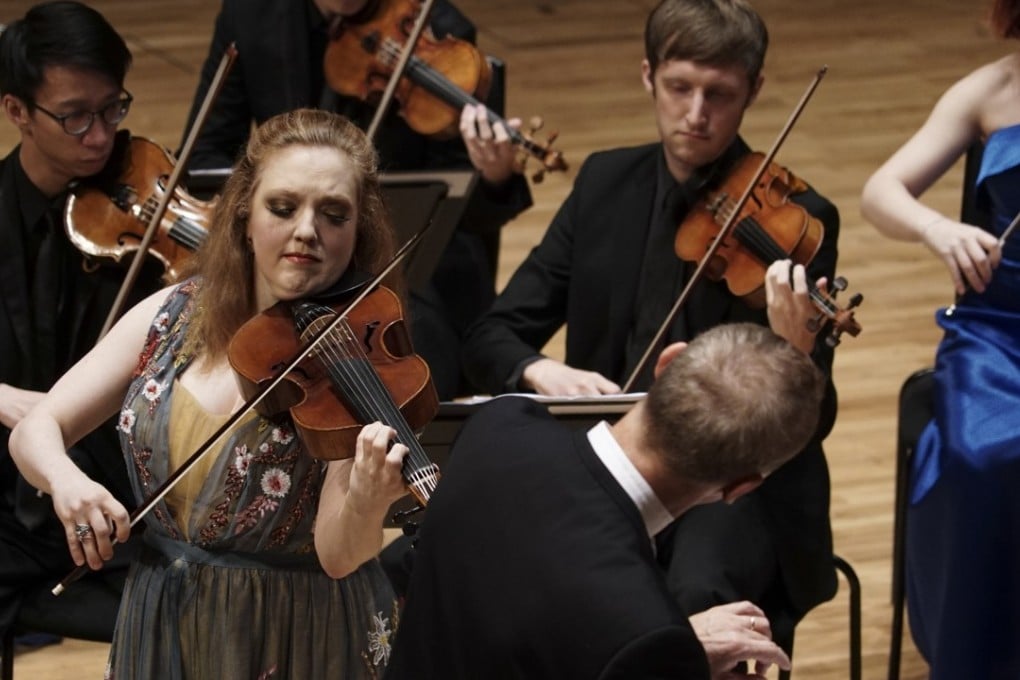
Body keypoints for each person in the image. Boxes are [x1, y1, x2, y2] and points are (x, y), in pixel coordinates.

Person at [460, 0, 841, 632]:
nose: (696, 115)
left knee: (696, 592)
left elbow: (813, 421)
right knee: (487, 560)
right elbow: (491, 335)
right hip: (606, 462)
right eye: (679, 88)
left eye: (718, 95)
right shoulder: (606, 183)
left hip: (728, 484)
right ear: (648, 78)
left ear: (754, 91)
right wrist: (540, 369)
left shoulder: (799, 225)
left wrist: (796, 352)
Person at [9, 109, 416, 678]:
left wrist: (370, 500)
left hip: (296, 632)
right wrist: (67, 482)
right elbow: (37, 428)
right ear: (245, 214)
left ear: (357, 232)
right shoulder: (171, 314)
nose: (306, 230)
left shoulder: (355, 362)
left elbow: (338, 552)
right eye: (283, 207)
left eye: (333, 214)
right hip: (162, 615)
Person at [386, 322, 826, 679]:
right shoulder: (645, 634)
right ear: (740, 488)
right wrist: (677, 660)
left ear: (666, 362)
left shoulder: (499, 424)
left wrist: (676, 651)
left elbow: (511, 621)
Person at [183, 0, 534, 399]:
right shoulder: (252, 14)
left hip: (406, 264)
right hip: (277, 251)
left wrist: (494, 175)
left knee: (417, 357)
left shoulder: (434, 26)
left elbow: (464, 207)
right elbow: (204, 155)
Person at [860, 1, 1020, 676]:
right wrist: (938, 229)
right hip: (1000, 330)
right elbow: (880, 190)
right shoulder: (991, 88)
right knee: (984, 455)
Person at [0, 0, 165, 645]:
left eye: (112, 109)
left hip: (129, 498)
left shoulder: (151, 211)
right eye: (74, 117)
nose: (100, 136)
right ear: (17, 111)